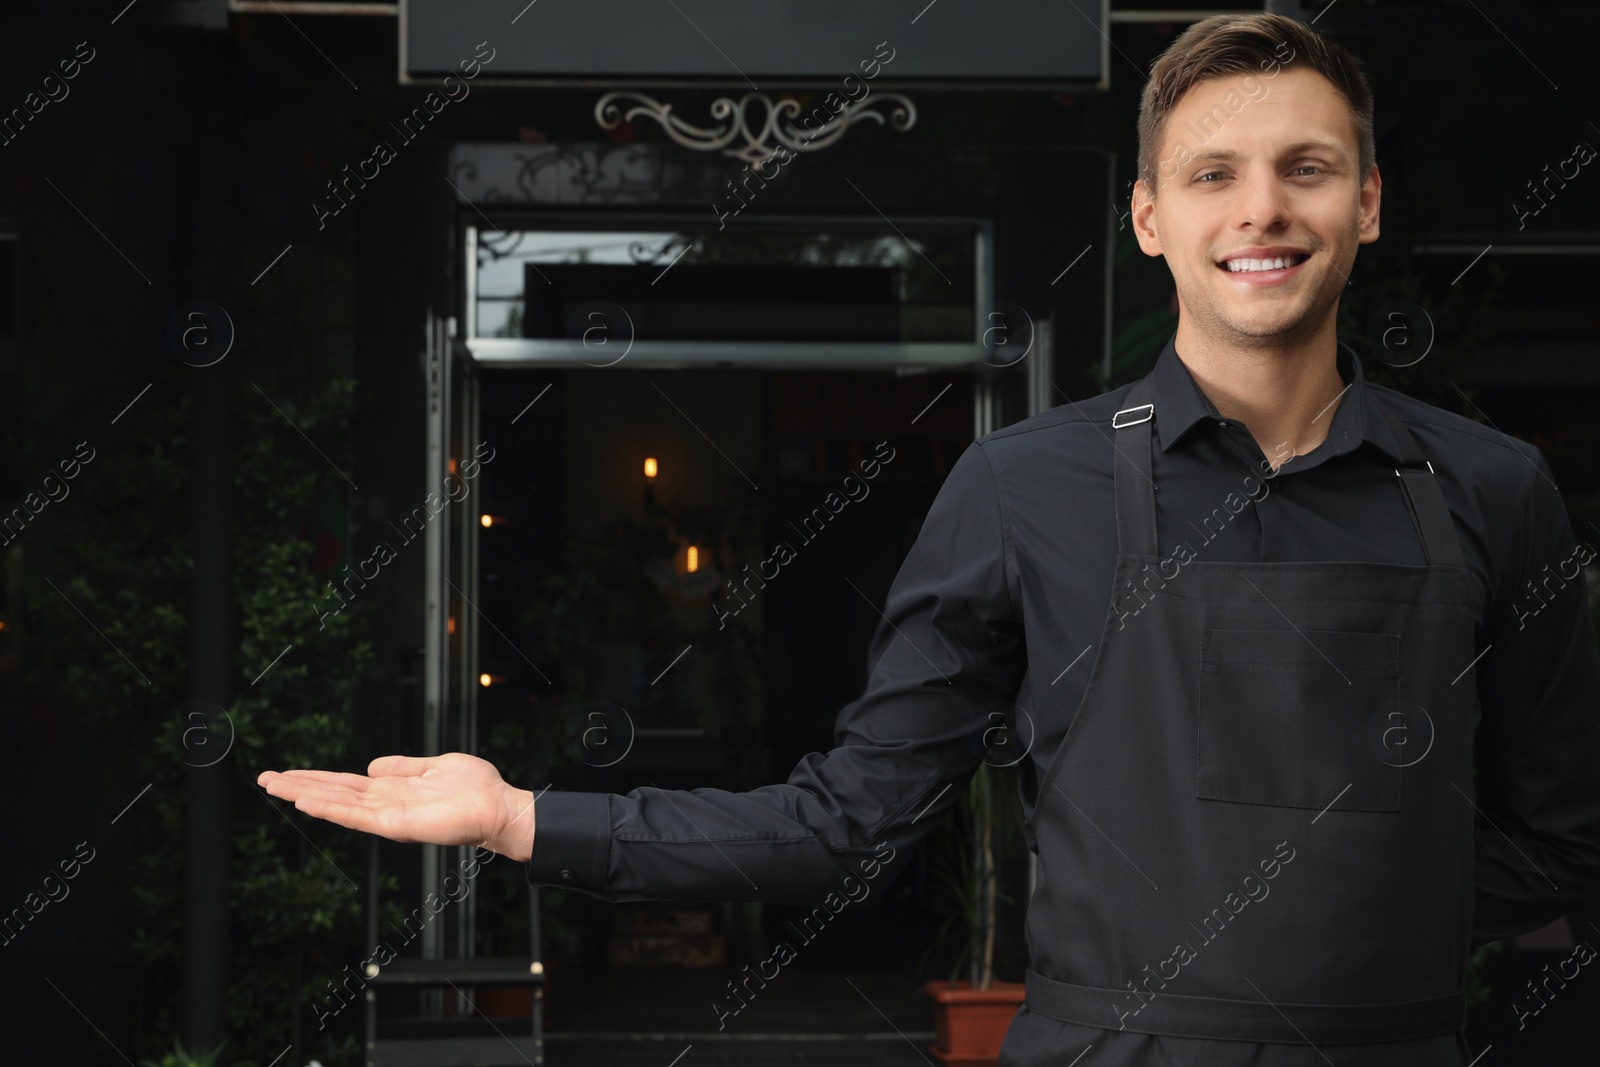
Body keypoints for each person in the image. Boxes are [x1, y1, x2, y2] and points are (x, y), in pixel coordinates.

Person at [258, 12, 1600, 1065]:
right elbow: (841, 825)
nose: (1261, 210)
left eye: (1306, 169)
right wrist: (521, 819)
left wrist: (1359, 893)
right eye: (1214, 175)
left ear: (1366, 203)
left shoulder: (1490, 487)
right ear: (1150, 217)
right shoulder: (1027, 486)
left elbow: (1565, 840)